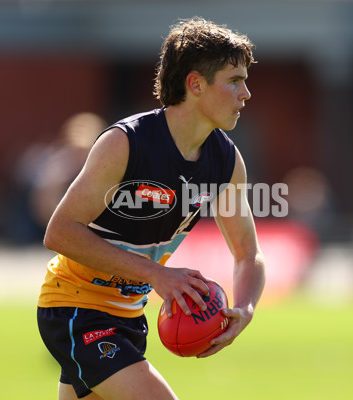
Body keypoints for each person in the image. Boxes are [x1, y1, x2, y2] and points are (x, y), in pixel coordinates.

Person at [37, 17, 266, 400]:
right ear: (195, 84)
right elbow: (59, 232)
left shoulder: (226, 161)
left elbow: (249, 254)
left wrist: (244, 308)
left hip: (128, 317)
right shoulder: (126, 144)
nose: (246, 94)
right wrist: (158, 275)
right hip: (74, 309)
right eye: (234, 80)